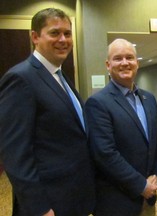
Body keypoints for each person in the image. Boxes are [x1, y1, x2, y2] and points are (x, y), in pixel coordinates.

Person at [0, 8, 95, 216]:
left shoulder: (61, 76)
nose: (63, 39)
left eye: (67, 34)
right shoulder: (21, 79)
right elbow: (15, 154)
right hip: (47, 204)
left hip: (71, 197)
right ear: (35, 36)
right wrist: (39, 208)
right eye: (54, 33)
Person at [85, 38, 157, 216]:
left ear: (137, 62)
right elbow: (105, 154)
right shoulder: (98, 103)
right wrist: (141, 185)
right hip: (116, 202)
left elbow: (156, 143)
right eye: (118, 58)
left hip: (147, 199)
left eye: (129, 57)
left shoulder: (149, 99)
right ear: (108, 64)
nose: (125, 63)